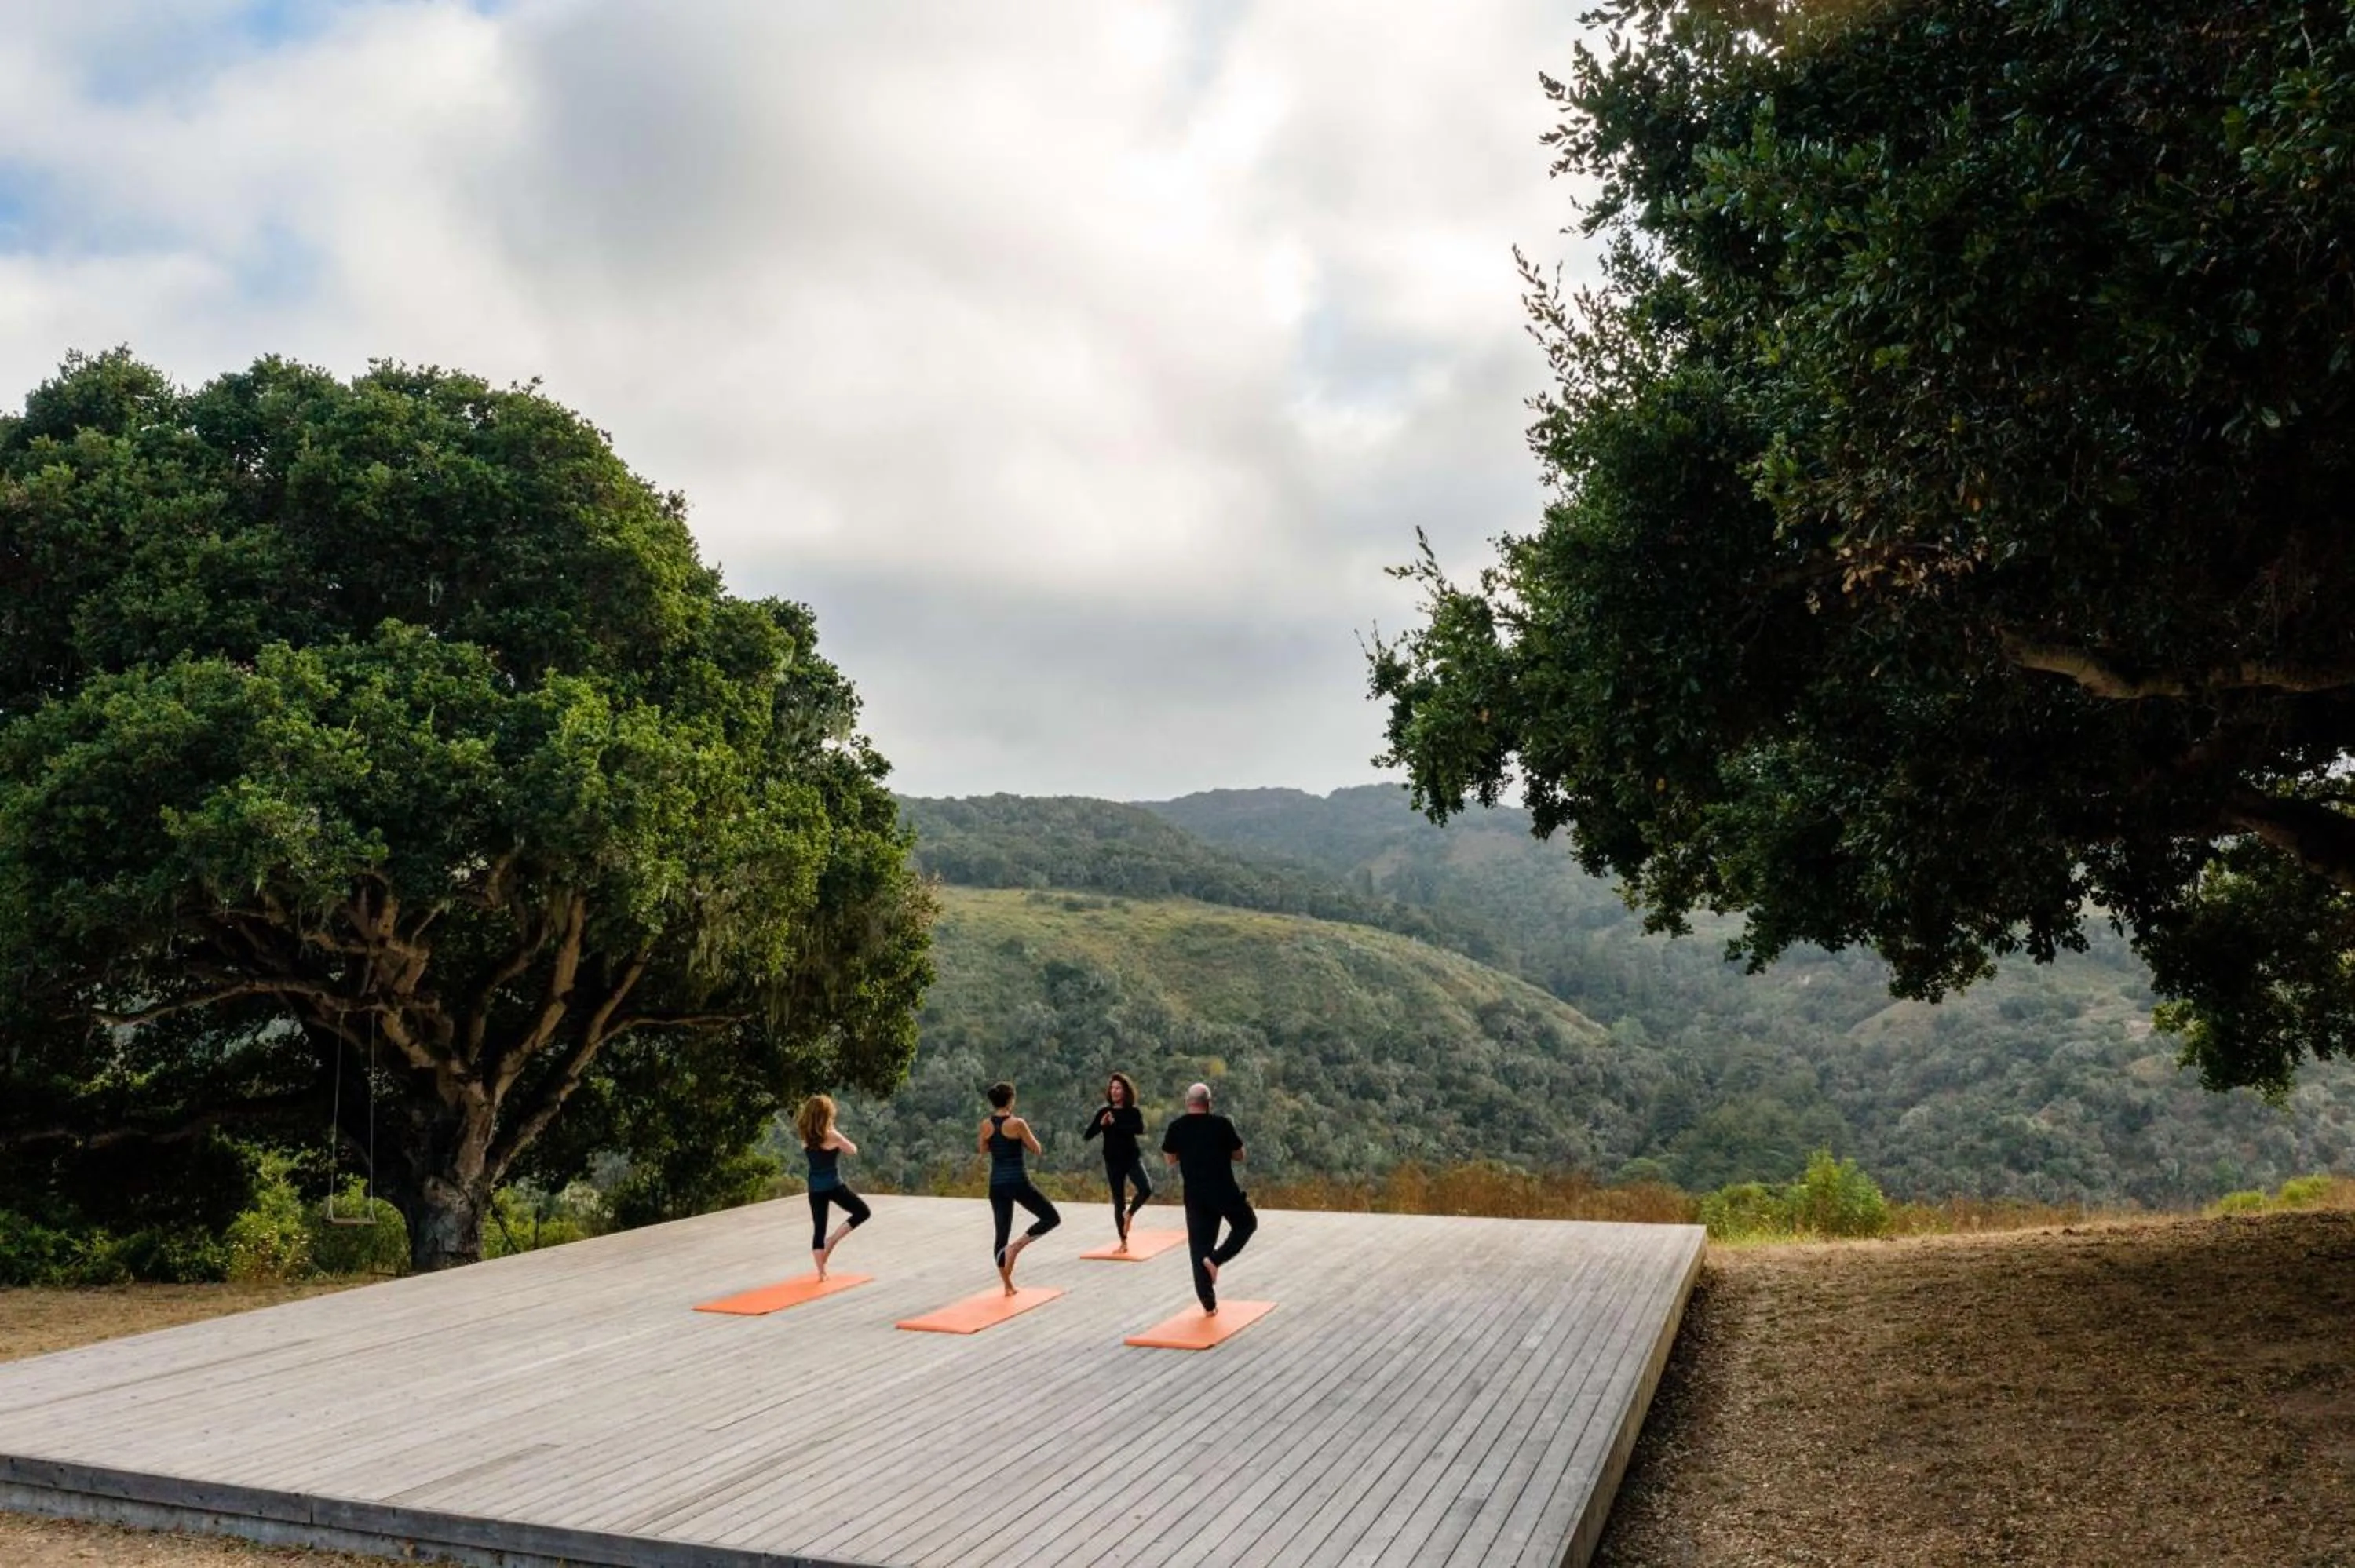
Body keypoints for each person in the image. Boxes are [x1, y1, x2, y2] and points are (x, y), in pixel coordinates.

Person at [1161, 1081, 1257, 1315]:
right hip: (1223, 1190)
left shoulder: (1177, 1126)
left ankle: (1209, 1305)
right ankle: (1216, 1259)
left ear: (1188, 1102)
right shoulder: (1221, 1124)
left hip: (1194, 1195)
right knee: (1246, 1224)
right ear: (1209, 1103)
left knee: (1198, 1248)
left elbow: (1170, 1159)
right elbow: (1240, 1155)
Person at [980, 1081, 1060, 1294]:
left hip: (996, 1184)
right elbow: (1037, 1149)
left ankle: (1007, 1286)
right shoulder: (1018, 1123)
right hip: (1017, 1181)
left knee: (1001, 1234)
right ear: (1011, 1100)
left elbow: (983, 1148)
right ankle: (1017, 1247)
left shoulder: (985, 1124)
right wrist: (1019, 1141)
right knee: (1051, 1217)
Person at [797, 1094, 870, 1281]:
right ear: (827, 1115)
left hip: (815, 1189)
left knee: (818, 1229)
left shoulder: (805, 1136)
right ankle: (834, 1240)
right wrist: (835, 1131)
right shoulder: (832, 1135)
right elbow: (853, 1150)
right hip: (835, 1186)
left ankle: (821, 1272)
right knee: (863, 1212)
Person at [1082, 1070, 1152, 1250]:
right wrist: (1102, 1125)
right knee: (1118, 1200)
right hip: (1113, 1160)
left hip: (1131, 1158)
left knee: (1146, 1188)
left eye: (1118, 1088)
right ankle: (1123, 1241)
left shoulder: (1133, 1112)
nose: (1114, 1091)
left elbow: (1139, 1129)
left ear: (1125, 1091)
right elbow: (1088, 1135)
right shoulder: (1104, 1112)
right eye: (1112, 1088)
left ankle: (1130, 1213)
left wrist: (1116, 1125)